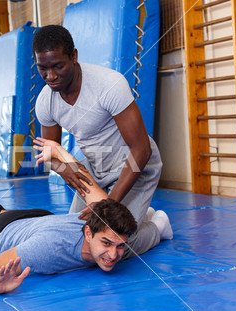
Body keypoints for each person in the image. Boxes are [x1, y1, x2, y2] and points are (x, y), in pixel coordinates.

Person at [0, 138, 172, 294]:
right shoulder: (46, 250)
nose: (113, 255)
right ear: (88, 231)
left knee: (133, 249)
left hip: (43, 218)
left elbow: (83, 178)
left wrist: (60, 150)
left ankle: (157, 223)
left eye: (119, 246)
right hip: (3, 231)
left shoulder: (104, 213)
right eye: (107, 243)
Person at [32, 25, 163, 225]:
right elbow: (50, 153)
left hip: (136, 165)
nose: (50, 76)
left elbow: (142, 149)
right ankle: (140, 215)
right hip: (96, 167)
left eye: (58, 66)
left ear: (73, 56)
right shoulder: (45, 102)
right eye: (43, 68)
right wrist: (62, 168)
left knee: (113, 236)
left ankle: (157, 225)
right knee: (77, 235)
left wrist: (109, 206)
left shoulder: (108, 84)